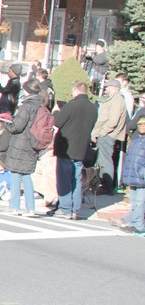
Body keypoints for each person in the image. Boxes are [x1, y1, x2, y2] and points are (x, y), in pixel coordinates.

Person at [52, 81, 97, 219]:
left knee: (64, 178)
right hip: (81, 148)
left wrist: (55, 112)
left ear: (76, 90)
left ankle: (65, 208)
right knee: (77, 179)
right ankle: (75, 209)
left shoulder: (71, 105)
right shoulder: (93, 108)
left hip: (67, 148)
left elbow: (57, 122)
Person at [2, 80, 43, 217]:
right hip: (33, 143)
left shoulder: (27, 106)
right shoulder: (41, 105)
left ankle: (15, 206)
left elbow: (17, 126)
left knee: (15, 174)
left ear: (27, 90)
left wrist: (5, 123)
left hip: (20, 143)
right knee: (26, 175)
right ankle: (30, 208)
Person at [91, 79, 128, 195]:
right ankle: (104, 184)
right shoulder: (113, 99)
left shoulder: (117, 100)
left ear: (115, 88)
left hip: (108, 135)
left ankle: (107, 186)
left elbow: (113, 120)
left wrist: (102, 132)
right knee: (103, 160)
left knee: (105, 160)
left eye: (108, 87)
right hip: (106, 134)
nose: (106, 89)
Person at [111, 116, 145, 234]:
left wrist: (142, 173)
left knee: (140, 203)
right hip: (133, 176)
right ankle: (133, 223)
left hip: (141, 177)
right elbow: (130, 157)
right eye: (140, 125)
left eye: (144, 125)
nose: (142, 127)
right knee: (135, 203)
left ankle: (139, 226)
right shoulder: (135, 140)